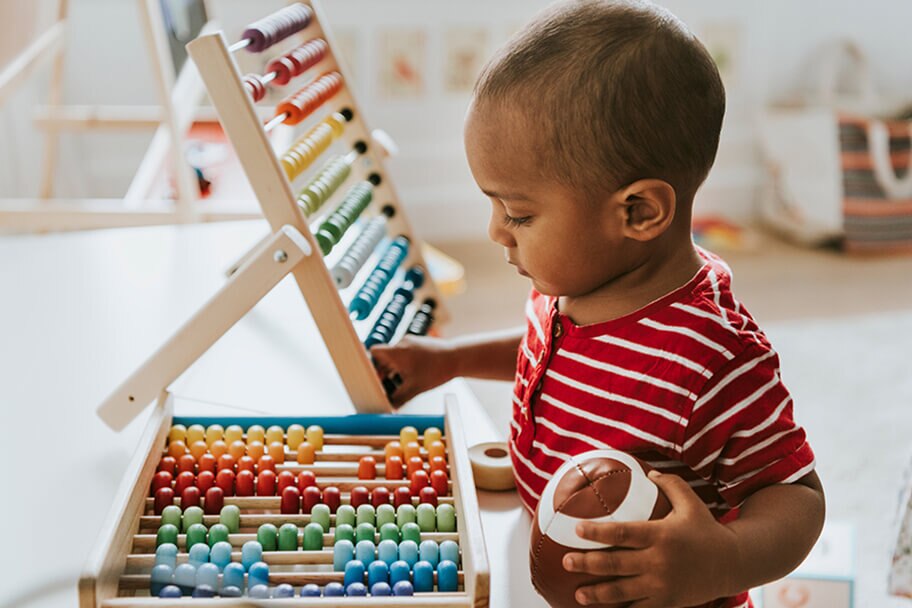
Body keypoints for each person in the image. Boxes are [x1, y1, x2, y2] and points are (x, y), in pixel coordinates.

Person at [371, 1, 825, 606]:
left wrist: (721, 561)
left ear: (638, 212)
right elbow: (552, 360)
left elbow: (797, 494)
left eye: (519, 214)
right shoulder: (570, 285)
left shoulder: (714, 357)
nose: (495, 233)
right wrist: (448, 360)